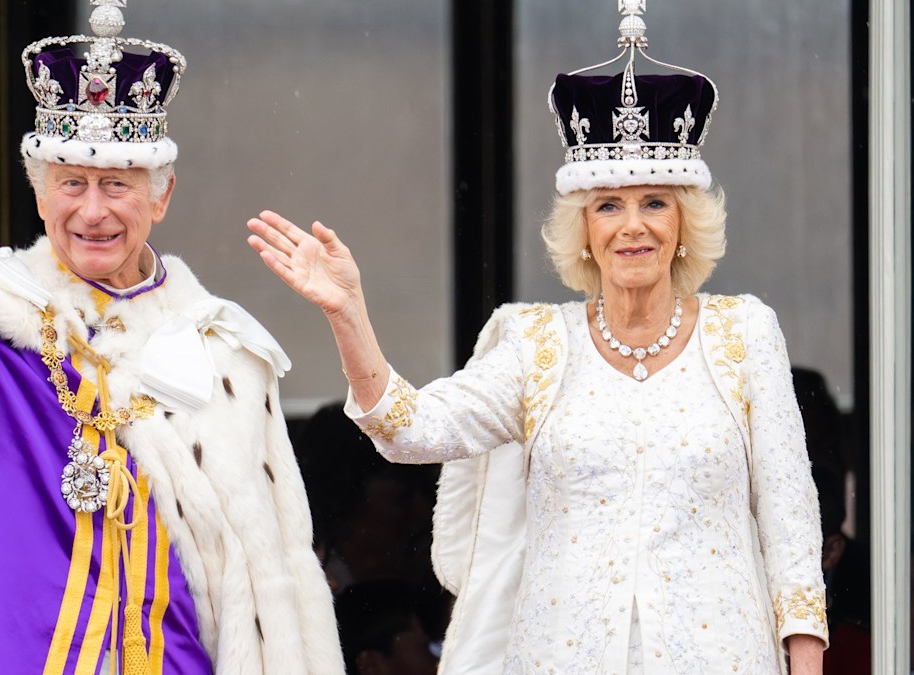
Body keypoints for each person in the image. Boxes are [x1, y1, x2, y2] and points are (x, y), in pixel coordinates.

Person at [247, 3, 826, 674]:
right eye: (608, 204)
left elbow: (791, 526)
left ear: (684, 219)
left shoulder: (745, 333)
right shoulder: (535, 344)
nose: (631, 225)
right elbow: (409, 429)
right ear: (583, 227)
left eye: (654, 202)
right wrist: (349, 312)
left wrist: (804, 663)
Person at [0, 3, 342, 674]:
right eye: (72, 184)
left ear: (161, 196)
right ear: (39, 193)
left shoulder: (222, 349)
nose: (93, 211)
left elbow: (263, 578)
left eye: (117, 184)